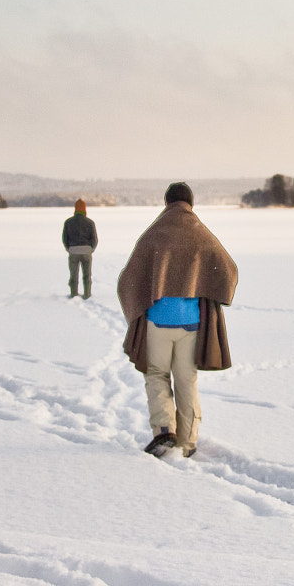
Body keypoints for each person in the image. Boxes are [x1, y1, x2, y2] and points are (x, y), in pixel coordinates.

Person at [117, 183, 237, 458]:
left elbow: (127, 280)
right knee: (187, 381)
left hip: (157, 321)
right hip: (191, 323)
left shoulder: (154, 234)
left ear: (167, 202)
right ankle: (188, 441)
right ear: (191, 203)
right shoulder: (202, 235)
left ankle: (164, 431)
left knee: (156, 375)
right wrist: (211, 293)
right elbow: (229, 271)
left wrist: (138, 305)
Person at [63, 199, 98, 298]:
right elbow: (94, 239)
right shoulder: (90, 222)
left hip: (73, 251)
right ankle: (87, 294)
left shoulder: (68, 222)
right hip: (87, 251)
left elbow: (65, 238)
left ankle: (74, 294)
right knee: (87, 275)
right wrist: (91, 249)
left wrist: (69, 249)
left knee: (74, 275)